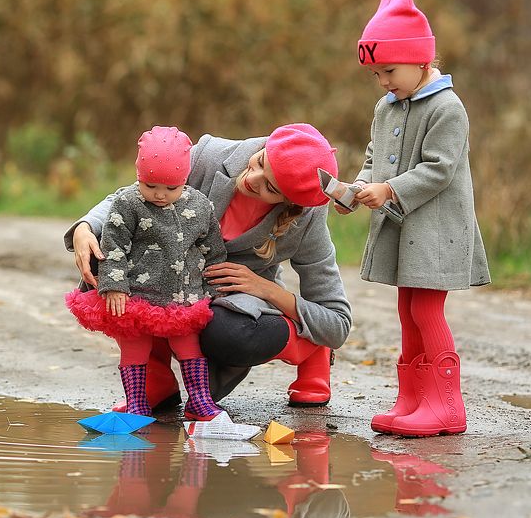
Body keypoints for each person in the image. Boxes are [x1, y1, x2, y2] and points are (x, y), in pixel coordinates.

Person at [66, 123, 351, 409]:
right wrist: (85, 226)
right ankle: (156, 378)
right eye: (261, 162)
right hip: (174, 281)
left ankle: (311, 350)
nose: (253, 178)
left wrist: (266, 289)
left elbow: (337, 322)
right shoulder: (208, 155)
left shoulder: (308, 219)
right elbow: (130, 201)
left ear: (290, 202)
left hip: (233, 303)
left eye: (270, 187)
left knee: (227, 333)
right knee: (105, 256)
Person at [345, 0, 490, 437]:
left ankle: (447, 406)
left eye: (389, 70)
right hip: (403, 224)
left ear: (422, 60)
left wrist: (389, 190)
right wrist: (362, 184)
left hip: (436, 229)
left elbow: (440, 169)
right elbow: (374, 153)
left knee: (428, 311)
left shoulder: (447, 107)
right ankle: (412, 399)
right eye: (376, 74)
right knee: (407, 311)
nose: (384, 81)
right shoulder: (387, 107)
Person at [65, 126, 229, 420]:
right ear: (139, 175)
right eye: (151, 185)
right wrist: (114, 285)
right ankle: (138, 402)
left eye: (171, 188)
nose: (160, 195)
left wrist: (216, 290)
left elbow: (212, 251)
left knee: (188, 345)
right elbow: (113, 245)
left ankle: (200, 400)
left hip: (182, 296)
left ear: (184, 180)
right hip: (135, 295)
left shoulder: (200, 206)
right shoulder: (127, 203)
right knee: (134, 346)